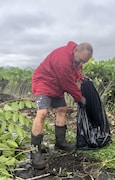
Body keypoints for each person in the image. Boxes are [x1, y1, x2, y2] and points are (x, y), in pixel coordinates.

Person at [31, 41, 93, 169]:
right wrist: (79, 97)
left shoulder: (76, 60)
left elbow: (74, 73)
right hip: (43, 83)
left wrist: (82, 77)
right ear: (75, 50)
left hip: (56, 86)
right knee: (42, 113)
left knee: (63, 109)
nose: (81, 64)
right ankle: (34, 151)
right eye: (80, 60)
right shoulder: (62, 58)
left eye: (84, 62)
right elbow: (67, 82)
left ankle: (60, 142)